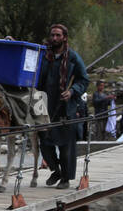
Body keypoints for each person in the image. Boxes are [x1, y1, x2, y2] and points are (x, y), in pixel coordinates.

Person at [37, 23, 89, 188]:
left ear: (64, 37)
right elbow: (28, 54)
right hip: (45, 104)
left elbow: (84, 79)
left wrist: (73, 91)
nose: (54, 38)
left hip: (65, 106)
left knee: (66, 145)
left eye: (58, 35)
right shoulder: (44, 55)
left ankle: (66, 178)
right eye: (52, 35)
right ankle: (56, 170)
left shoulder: (72, 57)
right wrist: (13, 42)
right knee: (44, 142)